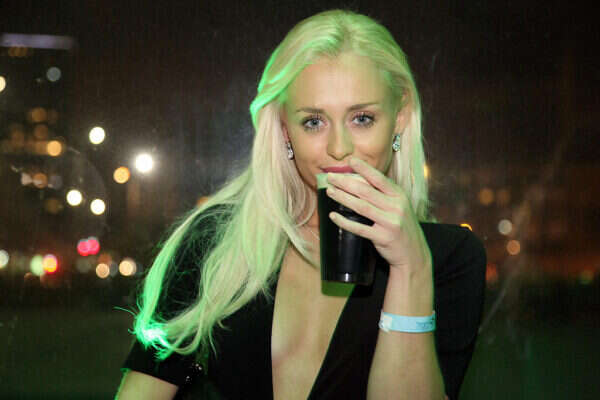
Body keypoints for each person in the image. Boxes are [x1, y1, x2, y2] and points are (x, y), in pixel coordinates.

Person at [115, 9, 486, 400]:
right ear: (283, 127)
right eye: (313, 122)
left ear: (400, 117)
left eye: (362, 118)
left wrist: (410, 267)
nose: (339, 148)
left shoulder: (448, 259)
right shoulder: (218, 245)